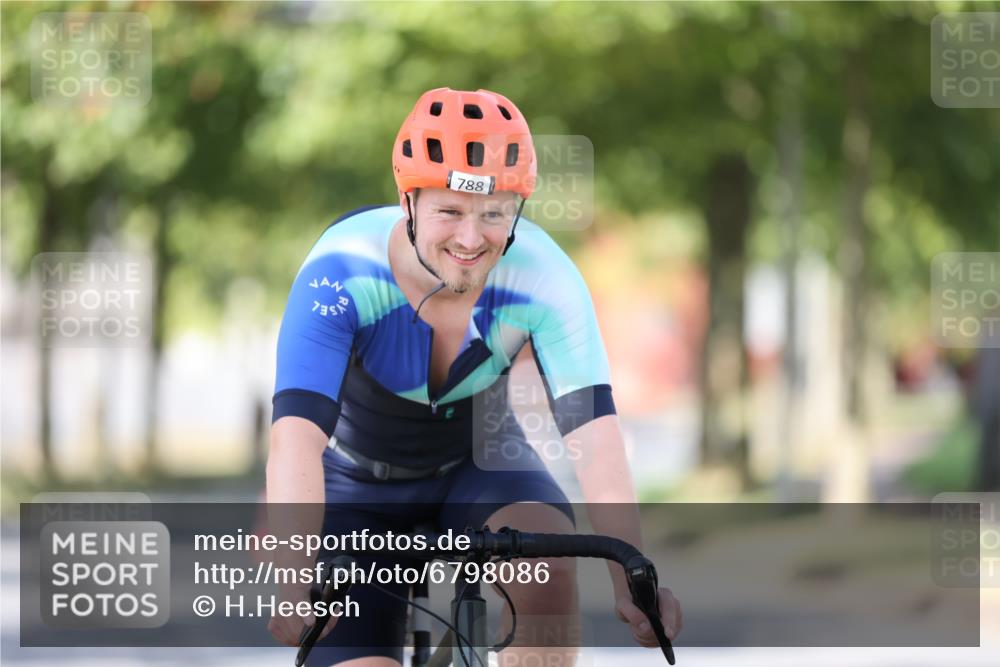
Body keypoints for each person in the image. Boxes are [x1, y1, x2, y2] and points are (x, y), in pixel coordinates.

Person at [267, 87, 682, 667]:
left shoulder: (544, 276)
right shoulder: (339, 270)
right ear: (408, 202)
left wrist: (631, 585)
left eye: (494, 213)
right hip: (352, 489)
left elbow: (596, 439)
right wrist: (291, 579)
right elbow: (294, 442)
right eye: (450, 211)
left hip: (481, 467)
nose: (471, 238)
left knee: (549, 574)